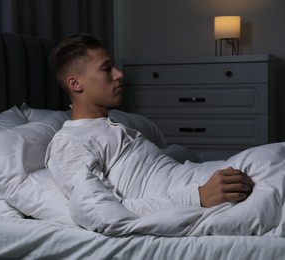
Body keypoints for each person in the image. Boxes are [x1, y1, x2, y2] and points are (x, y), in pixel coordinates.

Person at [45, 33, 255, 233]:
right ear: (75, 83)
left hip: (210, 177)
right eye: (106, 68)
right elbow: (102, 213)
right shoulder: (69, 142)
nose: (119, 74)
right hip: (206, 193)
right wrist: (197, 197)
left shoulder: (115, 125)